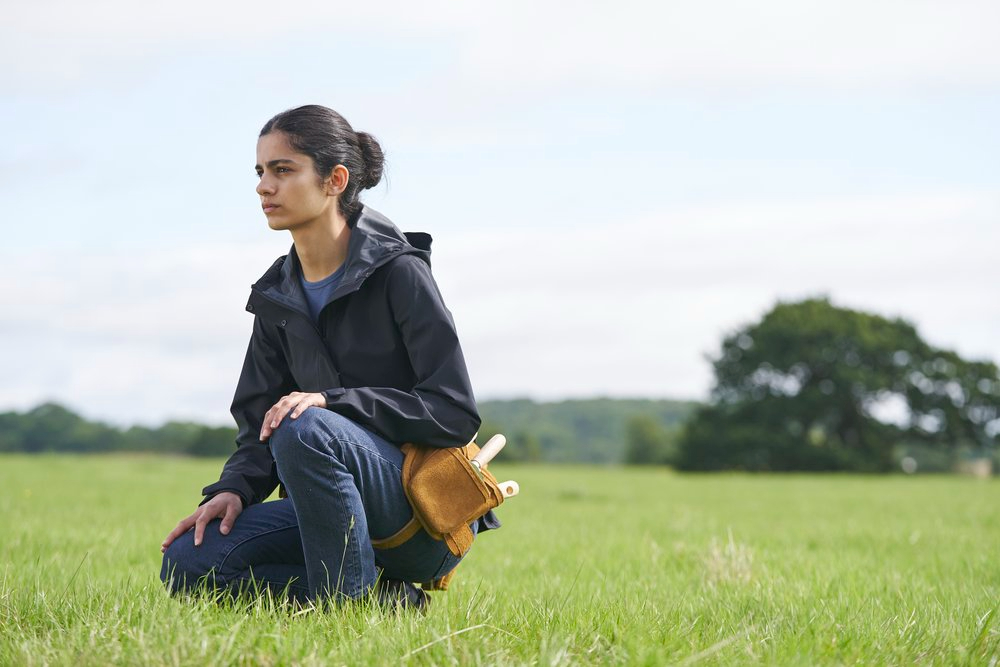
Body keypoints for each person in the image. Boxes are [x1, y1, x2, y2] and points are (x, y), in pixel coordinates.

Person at [159, 105, 498, 609]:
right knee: (190, 559)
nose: (263, 187)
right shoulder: (276, 296)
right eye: (259, 172)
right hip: (322, 512)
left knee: (306, 423)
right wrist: (233, 490)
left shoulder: (399, 273)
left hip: (419, 515)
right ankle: (382, 604)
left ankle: (342, 611)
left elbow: (453, 412)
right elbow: (260, 423)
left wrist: (331, 402)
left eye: (282, 170)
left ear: (335, 180)